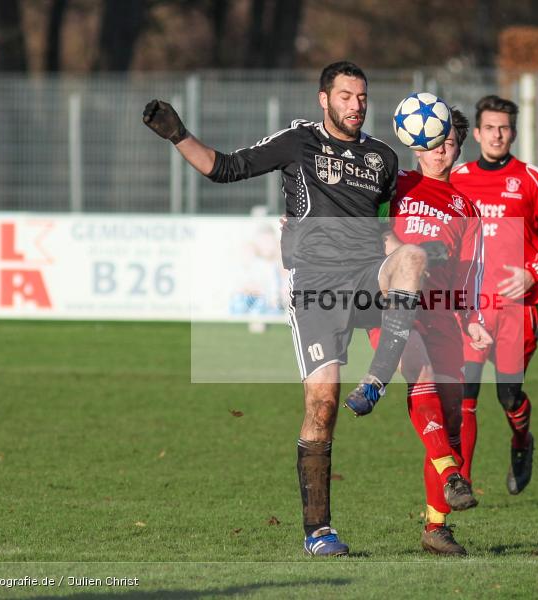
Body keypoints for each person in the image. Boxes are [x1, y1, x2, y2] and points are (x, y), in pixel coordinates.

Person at [143, 61, 433, 556]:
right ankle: (318, 531)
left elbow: (383, 232)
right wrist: (179, 135)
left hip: (365, 274)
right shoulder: (299, 141)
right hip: (316, 288)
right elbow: (226, 168)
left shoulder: (382, 158)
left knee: (413, 255)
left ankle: (379, 377)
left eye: (361, 97)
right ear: (324, 99)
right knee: (322, 405)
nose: (356, 105)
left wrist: (405, 263)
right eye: (345, 96)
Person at [365, 109, 492, 555]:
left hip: (443, 316)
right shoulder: (393, 183)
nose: (442, 149)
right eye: (434, 141)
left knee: (453, 419)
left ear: (459, 147)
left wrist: (473, 318)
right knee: (418, 374)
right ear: (416, 143)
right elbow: (360, 216)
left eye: (451, 142)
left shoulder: (466, 208)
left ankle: (436, 527)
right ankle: (450, 472)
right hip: (395, 307)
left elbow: (470, 272)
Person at [450, 95, 538, 495]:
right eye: (489, 127)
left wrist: (531, 271)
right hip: (472, 309)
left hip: (517, 310)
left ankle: (522, 442)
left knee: (508, 394)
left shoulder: (531, 178)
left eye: (504, 128)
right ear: (479, 133)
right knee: (465, 393)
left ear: (513, 132)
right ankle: (462, 480)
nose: (496, 134)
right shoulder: (459, 178)